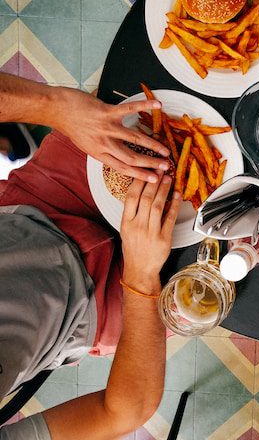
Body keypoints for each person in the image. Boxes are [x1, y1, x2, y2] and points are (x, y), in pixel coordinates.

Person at [0, 73, 181, 438]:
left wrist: (54, 107)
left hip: (32, 207)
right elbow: (120, 411)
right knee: (237, 256)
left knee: (150, 92)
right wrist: (141, 278)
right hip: (94, 314)